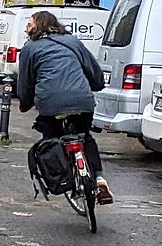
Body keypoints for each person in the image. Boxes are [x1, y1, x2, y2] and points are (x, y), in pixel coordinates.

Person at [15, 10, 112, 204]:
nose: (27, 28)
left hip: (51, 104)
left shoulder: (30, 49)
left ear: (38, 26)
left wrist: (25, 103)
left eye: (29, 24)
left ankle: (63, 177)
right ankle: (99, 179)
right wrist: (97, 85)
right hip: (82, 100)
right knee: (85, 136)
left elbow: (25, 82)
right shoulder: (72, 41)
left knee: (52, 139)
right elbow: (92, 69)